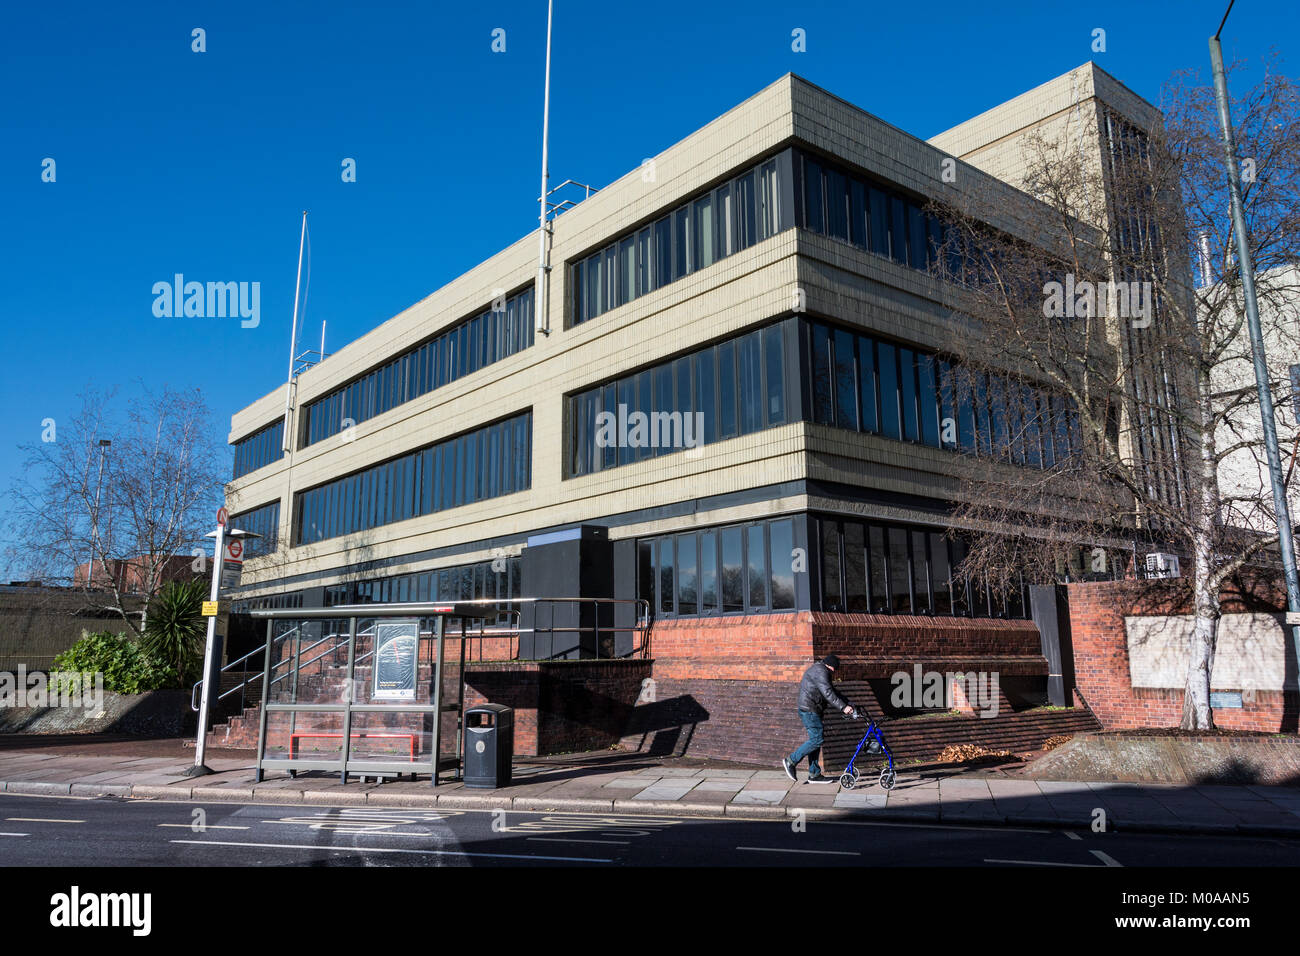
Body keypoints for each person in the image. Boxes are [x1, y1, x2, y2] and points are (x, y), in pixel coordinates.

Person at [783, 654, 854, 783]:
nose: (834, 671)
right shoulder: (821, 671)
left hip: (811, 709)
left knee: (815, 740)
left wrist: (848, 703)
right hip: (810, 710)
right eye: (834, 668)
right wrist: (843, 708)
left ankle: (814, 774)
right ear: (829, 665)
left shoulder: (819, 669)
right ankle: (791, 761)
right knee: (817, 739)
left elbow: (831, 690)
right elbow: (827, 692)